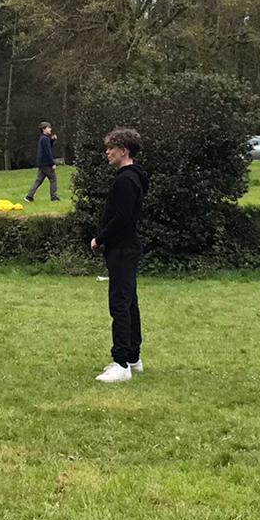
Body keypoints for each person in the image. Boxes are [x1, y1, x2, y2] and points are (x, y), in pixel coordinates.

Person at [90, 127, 149, 382]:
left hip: (123, 249)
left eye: (111, 148)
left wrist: (100, 238)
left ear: (123, 151)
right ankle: (134, 358)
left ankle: (121, 363)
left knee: (120, 305)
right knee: (129, 302)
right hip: (127, 247)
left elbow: (122, 218)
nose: (107, 153)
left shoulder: (126, 180)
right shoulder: (135, 176)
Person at [26, 122, 60, 202]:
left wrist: (52, 140)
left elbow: (48, 147)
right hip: (46, 164)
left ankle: (29, 196)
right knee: (53, 179)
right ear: (44, 129)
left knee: (38, 181)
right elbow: (48, 152)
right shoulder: (45, 139)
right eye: (48, 128)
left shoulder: (43, 138)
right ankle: (54, 197)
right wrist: (52, 163)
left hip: (41, 164)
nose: (50, 129)